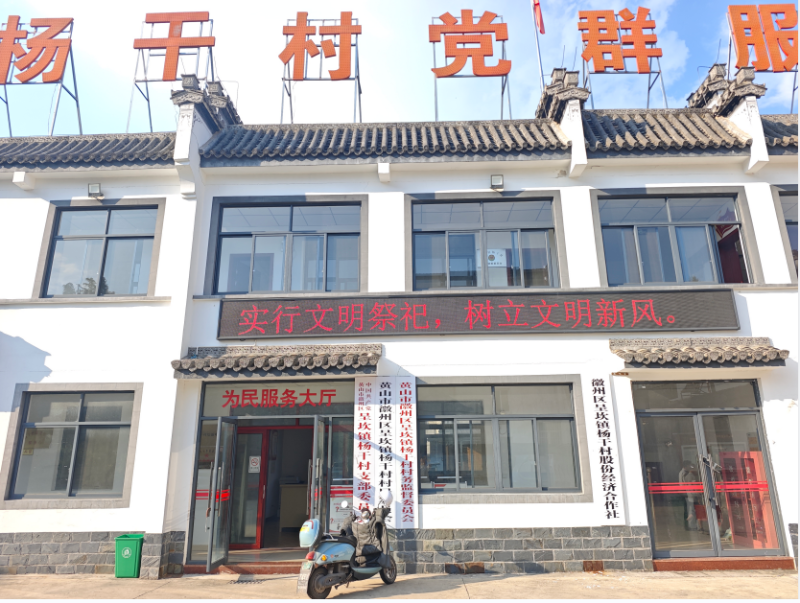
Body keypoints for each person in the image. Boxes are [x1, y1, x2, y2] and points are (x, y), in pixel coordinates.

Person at [678, 459, 699, 530]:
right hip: (687, 493)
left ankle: (688, 525)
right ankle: (691, 525)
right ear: (686, 466)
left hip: (686, 492)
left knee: (689, 509)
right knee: (690, 509)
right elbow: (687, 483)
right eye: (689, 465)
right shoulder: (685, 473)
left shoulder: (682, 472)